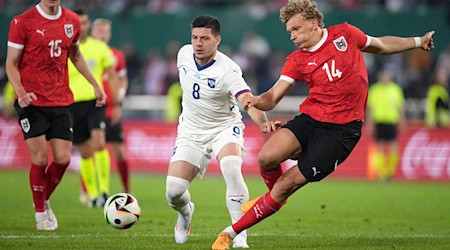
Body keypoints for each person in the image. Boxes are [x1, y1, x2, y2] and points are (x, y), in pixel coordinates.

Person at [212, 0, 435, 249]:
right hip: (311, 119)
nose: (293, 36)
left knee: (286, 184)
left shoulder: (345, 34)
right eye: (289, 32)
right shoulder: (296, 60)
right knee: (266, 157)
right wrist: (255, 101)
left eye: (296, 29)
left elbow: (382, 45)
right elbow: (272, 97)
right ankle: (275, 198)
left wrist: (418, 41)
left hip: (341, 132)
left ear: (314, 23)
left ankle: (230, 233)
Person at [166, 15, 280, 248]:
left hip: (224, 128)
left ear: (217, 40)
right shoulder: (183, 54)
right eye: (195, 37)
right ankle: (186, 213)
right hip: (191, 131)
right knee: (174, 192)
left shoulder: (228, 70)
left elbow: (247, 101)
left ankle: (240, 235)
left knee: (231, 167)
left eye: (205, 39)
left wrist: (261, 122)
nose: (198, 43)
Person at [5, 0, 106, 230]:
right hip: (31, 100)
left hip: (60, 100)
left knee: (63, 159)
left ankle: (43, 200)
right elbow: (11, 64)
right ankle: (40, 213)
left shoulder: (71, 21)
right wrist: (20, 92)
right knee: (40, 159)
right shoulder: (23, 22)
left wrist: (95, 85)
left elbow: (76, 55)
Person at [68, 9, 119, 207]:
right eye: (78, 22)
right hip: (72, 103)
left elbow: (112, 74)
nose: (82, 26)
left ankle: (105, 191)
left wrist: (116, 103)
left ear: (89, 24)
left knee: (99, 142)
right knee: (85, 151)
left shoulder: (100, 48)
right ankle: (93, 195)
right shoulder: (66, 47)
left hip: (95, 101)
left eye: (85, 22)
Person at [91, 17, 130, 193]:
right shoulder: (84, 53)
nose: (103, 35)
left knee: (120, 152)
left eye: (106, 31)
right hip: (91, 107)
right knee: (91, 150)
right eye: (100, 31)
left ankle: (126, 189)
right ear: (93, 33)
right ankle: (91, 191)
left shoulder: (117, 55)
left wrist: (118, 102)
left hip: (111, 108)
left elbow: (122, 79)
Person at [367, 70, 405, 181]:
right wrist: (369, 123)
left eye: (386, 76)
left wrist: (402, 121)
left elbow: (400, 107)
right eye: (383, 76)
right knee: (380, 147)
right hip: (379, 121)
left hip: (391, 121)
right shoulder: (374, 89)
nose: (384, 78)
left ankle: (390, 172)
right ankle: (382, 173)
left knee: (394, 147)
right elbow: (370, 108)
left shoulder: (396, 89)